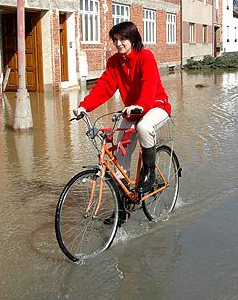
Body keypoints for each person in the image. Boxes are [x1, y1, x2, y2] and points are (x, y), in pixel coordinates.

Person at [73, 21, 171, 193]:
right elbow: (103, 87)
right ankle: (122, 206)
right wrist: (84, 107)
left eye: (123, 39)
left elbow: (149, 85)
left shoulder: (145, 56)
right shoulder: (115, 62)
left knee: (144, 127)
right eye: (115, 40)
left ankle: (149, 173)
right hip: (132, 111)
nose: (118, 44)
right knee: (120, 155)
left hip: (156, 105)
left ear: (133, 39)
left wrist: (140, 106)